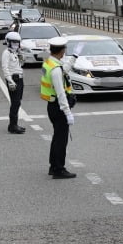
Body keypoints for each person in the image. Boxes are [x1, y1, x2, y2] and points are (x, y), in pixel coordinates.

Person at [40, 37, 81, 179]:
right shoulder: (55, 69)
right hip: (58, 107)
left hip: (52, 106)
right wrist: (67, 112)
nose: (65, 51)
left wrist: (74, 57)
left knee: (57, 138)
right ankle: (59, 169)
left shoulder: (50, 62)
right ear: (61, 50)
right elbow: (61, 93)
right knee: (61, 140)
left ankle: (53, 166)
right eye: (65, 49)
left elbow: (64, 70)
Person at [1, 31, 25, 134]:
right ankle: (12, 126)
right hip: (13, 79)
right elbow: (5, 68)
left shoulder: (15, 53)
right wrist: (9, 80)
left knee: (18, 102)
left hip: (20, 79)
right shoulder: (6, 53)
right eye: (13, 42)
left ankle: (14, 124)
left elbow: (21, 65)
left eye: (17, 42)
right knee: (15, 103)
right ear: (8, 42)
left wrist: (21, 55)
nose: (15, 44)